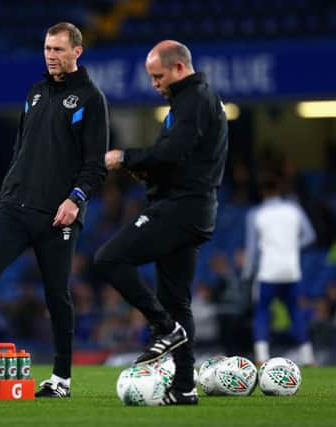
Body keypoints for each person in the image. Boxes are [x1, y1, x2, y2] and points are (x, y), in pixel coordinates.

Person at [0, 22, 109, 398]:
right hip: (15, 205)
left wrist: (74, 199)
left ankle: (61, 378)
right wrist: (9, 188)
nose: (51, 56)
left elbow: (95, 164)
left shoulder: (90, 99)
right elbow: (22, 148)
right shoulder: (35, 93)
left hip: (58, 214)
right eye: (47, 48)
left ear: (77, 52)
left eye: (59, 50)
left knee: (56, 294)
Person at [94, 40, 228, 405]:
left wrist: (125, 157)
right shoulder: (197, 100)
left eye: (158, 76)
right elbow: (182, 161)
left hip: (179, 210)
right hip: (193, 209)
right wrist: (146, 173)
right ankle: (184, 387)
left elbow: (173, 152)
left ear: (180, 68)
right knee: (177, 300)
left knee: (108, 259)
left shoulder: (194, 98)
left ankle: (165, 329)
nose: (155, 84)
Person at [242, 173, 316, 366]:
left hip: (268, 271)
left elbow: (252, 250)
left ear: (262, 192)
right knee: (295, 312)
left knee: (262, 311)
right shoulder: (294, 210)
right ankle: (308, 357)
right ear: (279, 190)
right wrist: (291, 246)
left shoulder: (256, 214)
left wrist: (247, 273)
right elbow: (309, 236)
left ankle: (261, 356)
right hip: (292, 271)